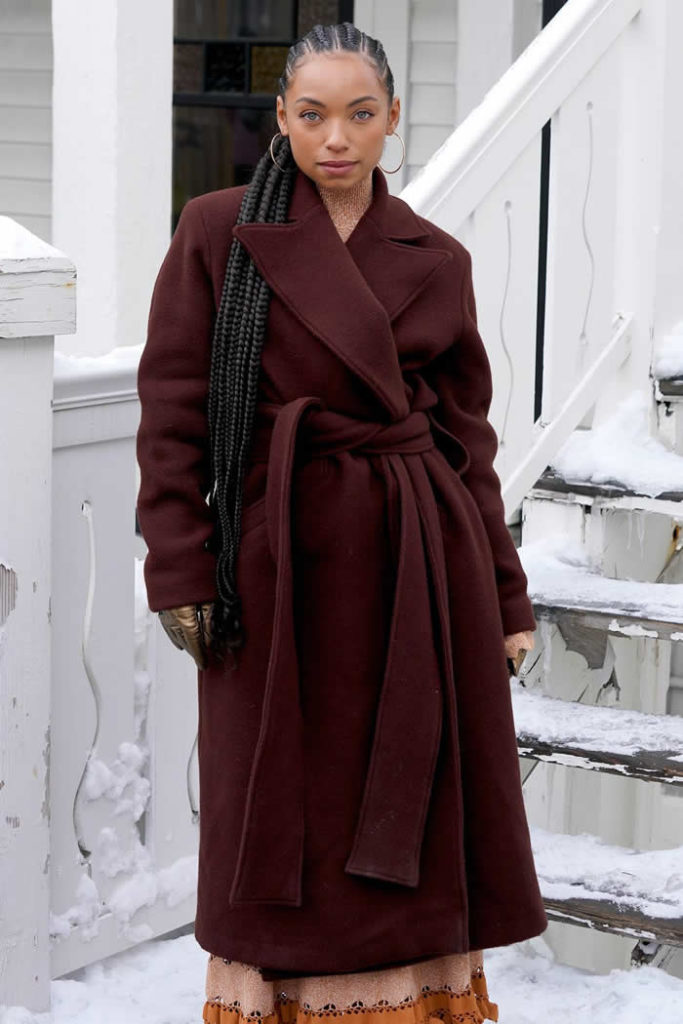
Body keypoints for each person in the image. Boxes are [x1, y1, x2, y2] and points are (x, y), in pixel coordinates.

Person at [135, 21, 546, 1024]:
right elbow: (173, 410)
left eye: (359, 114)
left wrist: (502, 595)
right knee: (276, 800)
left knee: (411, 787)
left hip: (417, 564)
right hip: (274, 565)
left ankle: (407, 1002)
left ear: (392, 118)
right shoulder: (218, 232)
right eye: (312, 113)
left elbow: (466, 441)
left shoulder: (435, 257)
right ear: (279, 116)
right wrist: (181, 567)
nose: (335, 137)